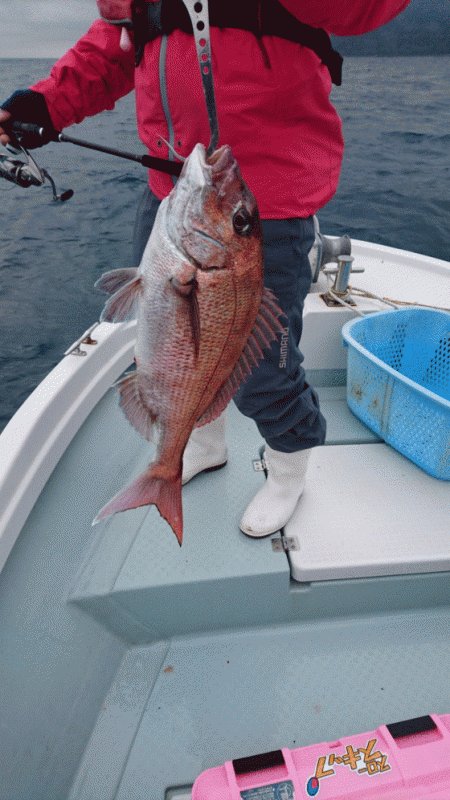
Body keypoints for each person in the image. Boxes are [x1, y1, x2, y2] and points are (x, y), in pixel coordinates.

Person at [0, 0, 411, 538]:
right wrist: (48, 103)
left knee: (264, 366)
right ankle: (199, 445)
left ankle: (289, 466)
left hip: (267, 203)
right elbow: (116, 47)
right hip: (178, 197)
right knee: (169, 345)